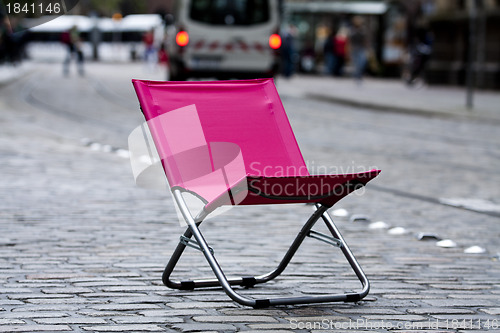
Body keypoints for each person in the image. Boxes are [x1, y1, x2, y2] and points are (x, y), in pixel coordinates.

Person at [348, 16, 368, 84]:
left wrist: (367, 48)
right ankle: (357, 76)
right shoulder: (352, 30)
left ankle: (359, 75)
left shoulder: (362, 30)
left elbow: (365, 40)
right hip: (354, 49)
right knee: (356, 64)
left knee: (362, 62)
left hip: (361, 48)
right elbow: (350, 41)